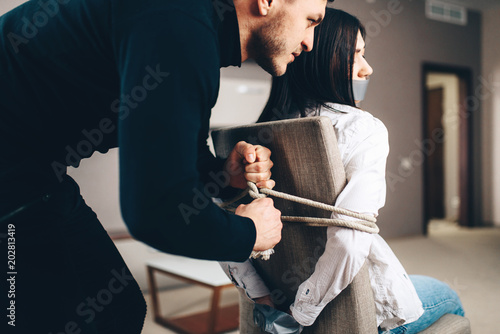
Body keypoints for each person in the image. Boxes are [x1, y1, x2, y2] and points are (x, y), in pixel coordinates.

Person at [0, 0, 332, 332]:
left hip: (33, 169)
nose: (309, 42)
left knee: (116, 308)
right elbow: (156, 212)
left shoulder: (194, 28)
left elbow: (186, 157)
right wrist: (248, 234)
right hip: (16, 173)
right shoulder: (179, 22)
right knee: (44, 319)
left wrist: (224, 175)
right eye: (310, 21)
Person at [220, 8, 465, 334]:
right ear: (324, 59)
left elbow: (221, 228)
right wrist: (302, 314)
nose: (368, 69)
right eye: (357, 56)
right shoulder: (361, 129)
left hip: (275, 307)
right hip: (355, 314)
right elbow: (349, 242)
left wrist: (263, 298)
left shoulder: (248, 138)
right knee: (448, 294)